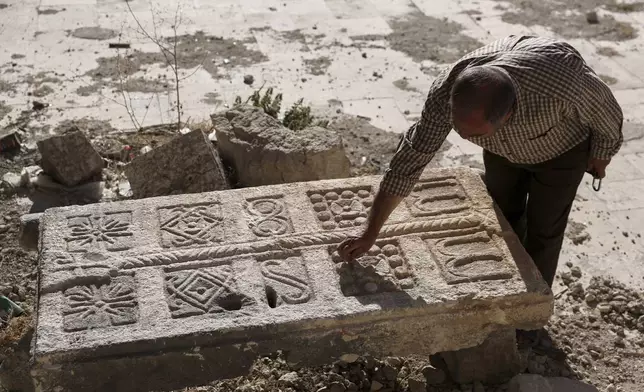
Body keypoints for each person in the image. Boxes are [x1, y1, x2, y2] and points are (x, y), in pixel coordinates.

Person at [337, 35, 624, 288]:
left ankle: (531, 315)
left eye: (472, 134)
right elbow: (408, 164)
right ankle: (505, 291)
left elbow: (606, 112)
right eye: (457, 127)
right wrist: (370, 232)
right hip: (502, 152)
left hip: (561, 153)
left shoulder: (561, 81)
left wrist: (602, 153)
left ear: (509, 116)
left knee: (544, 231)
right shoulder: (446, 93)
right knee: (503, 217)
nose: (460, 135)